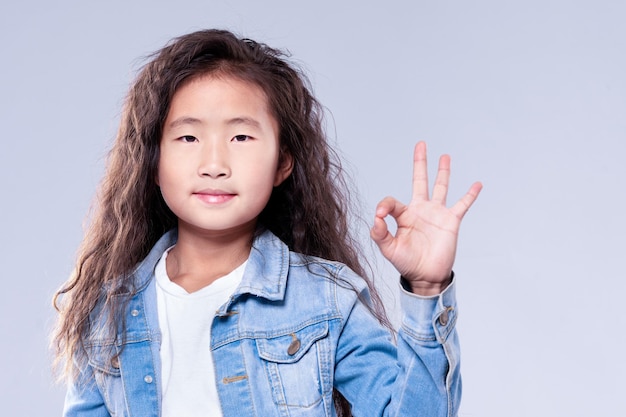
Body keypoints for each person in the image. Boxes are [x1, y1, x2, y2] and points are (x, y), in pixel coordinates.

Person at [52, 29, 482, 417]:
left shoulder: (326, 301)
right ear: (153, 161)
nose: (214, 164)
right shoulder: (106, 314)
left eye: (241, 137)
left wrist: (428, 289)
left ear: (282, 163)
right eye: (188, 137)